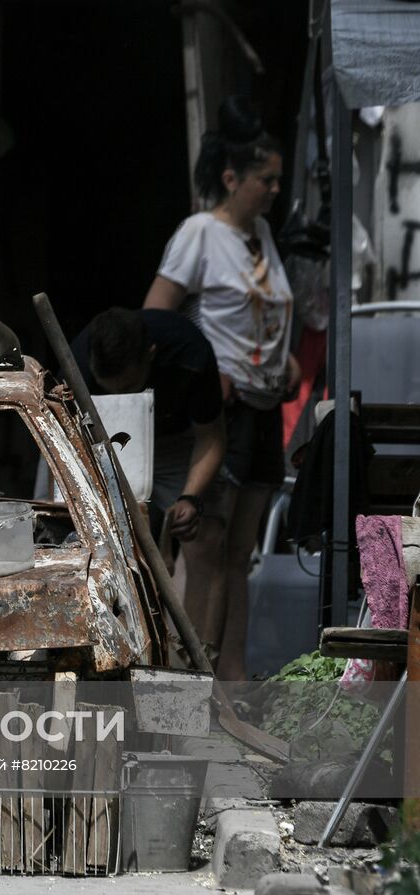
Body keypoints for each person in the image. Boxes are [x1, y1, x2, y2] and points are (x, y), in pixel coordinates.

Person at [142, 96, 300, 680]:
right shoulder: (200, 233)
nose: (275, 190)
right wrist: (207, 375)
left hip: (262, 412)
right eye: (266, 179)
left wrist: (289, 367)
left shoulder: (261, 234)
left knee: (241, 552)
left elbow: (268, 317)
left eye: (278, 180)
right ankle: (184, 674)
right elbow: (155, 319)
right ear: (232, 178)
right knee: (205, 545)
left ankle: (229, 676)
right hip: (220, 415)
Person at [70, 307, 226, 542]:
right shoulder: (75, 366)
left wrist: (190, 497)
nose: (118, 395)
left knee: (202, 534)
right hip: (91, 439)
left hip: (174, 440)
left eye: (126, 387)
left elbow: (211, 437)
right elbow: (62, 443)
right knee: (62, 526)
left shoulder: (189, 353)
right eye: (108, 388)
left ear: (151, 354)